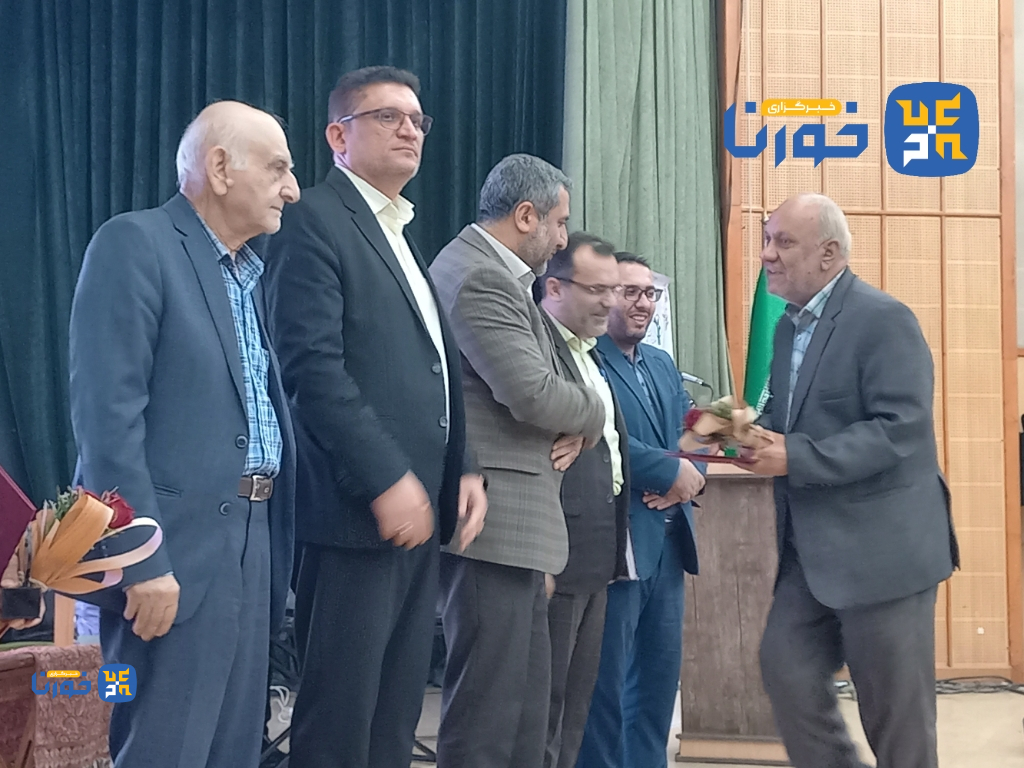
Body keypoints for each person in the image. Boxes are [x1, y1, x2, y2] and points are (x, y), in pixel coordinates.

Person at [263, 66, 486, 768]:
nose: (410, 130)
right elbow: (311, 369)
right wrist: (387, 477)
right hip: (355, 513)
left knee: (393, 717)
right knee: (341, 722)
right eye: (388, 116)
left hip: (417, 514)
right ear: (339, 136)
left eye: (417, 120)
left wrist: (463, 467)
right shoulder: (313, 221)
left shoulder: (399, 231)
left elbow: (434, 368)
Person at [69, 100, 300, 768]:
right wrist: (140, 557)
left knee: (233, 750)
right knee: (165, 749)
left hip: (253, 544)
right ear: (220, 169)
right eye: (278, 168)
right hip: (172, 551)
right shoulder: (135, 244)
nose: (292, 188)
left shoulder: (248, 275)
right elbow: (107, 421)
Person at [747, 192, 959, 768]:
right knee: (784, 670)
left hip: (884, 554)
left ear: (829, 253)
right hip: (810, 556)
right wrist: (744, 432)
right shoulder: (788, 327)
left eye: (783, 242)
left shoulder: (883, 319)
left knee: (896, 722)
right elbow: (790, 419)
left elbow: (900, 429)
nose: (767, 254)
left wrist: (795, 456)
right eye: (766, 240)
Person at [429, 154, 606, 768]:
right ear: (526, 215)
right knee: (488, 724)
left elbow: (551, 387)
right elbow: (533, 394)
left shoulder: (497, 275)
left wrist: (576, 414)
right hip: (495, 528)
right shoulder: (479, 276)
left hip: (516, 530)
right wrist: (595, 413)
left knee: (526, 725)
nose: (562, 239)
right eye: (559, 223)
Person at [579, 251, 705, 768]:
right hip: (619, 545)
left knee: (657, 687)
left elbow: (692, 433)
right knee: (605, 690)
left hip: (670, 546)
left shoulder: (661, 363)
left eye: (650, 293)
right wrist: (669, 473)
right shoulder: (586, 360)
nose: (642, 303)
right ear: (606, 296)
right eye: (630, 292)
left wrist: (687, 477)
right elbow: (599, 437)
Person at [536, 233, 632, 768]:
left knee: (575, 706)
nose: (610, 303)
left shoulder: (590, 355)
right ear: (554, 287)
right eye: (598, 290)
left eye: (614, 290)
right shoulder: (538, 348)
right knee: (544, 707)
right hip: (556, 551)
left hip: (597, 551)